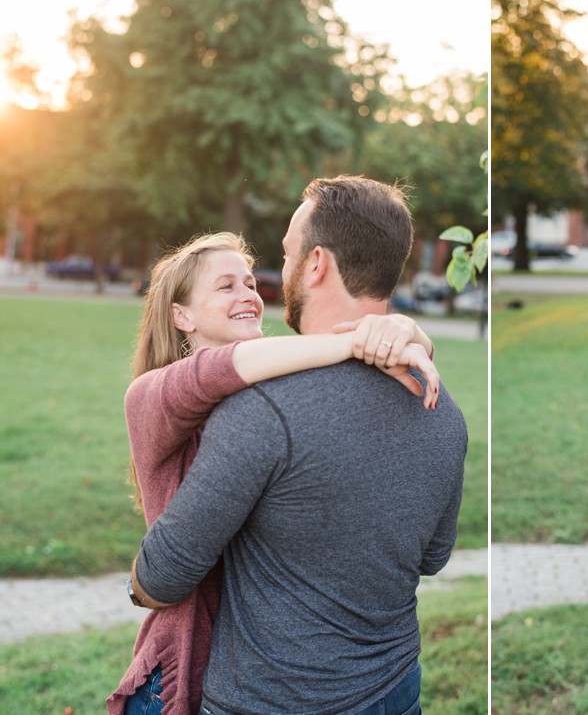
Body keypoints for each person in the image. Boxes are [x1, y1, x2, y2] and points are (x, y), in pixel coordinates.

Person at [127, 175, 468, 715]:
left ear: (315, 264)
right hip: (395, 689)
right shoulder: (442, 408)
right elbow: (433, 557)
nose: (272, 278)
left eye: (286, 255)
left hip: (275, 699)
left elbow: (164, 576)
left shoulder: (261, 410)